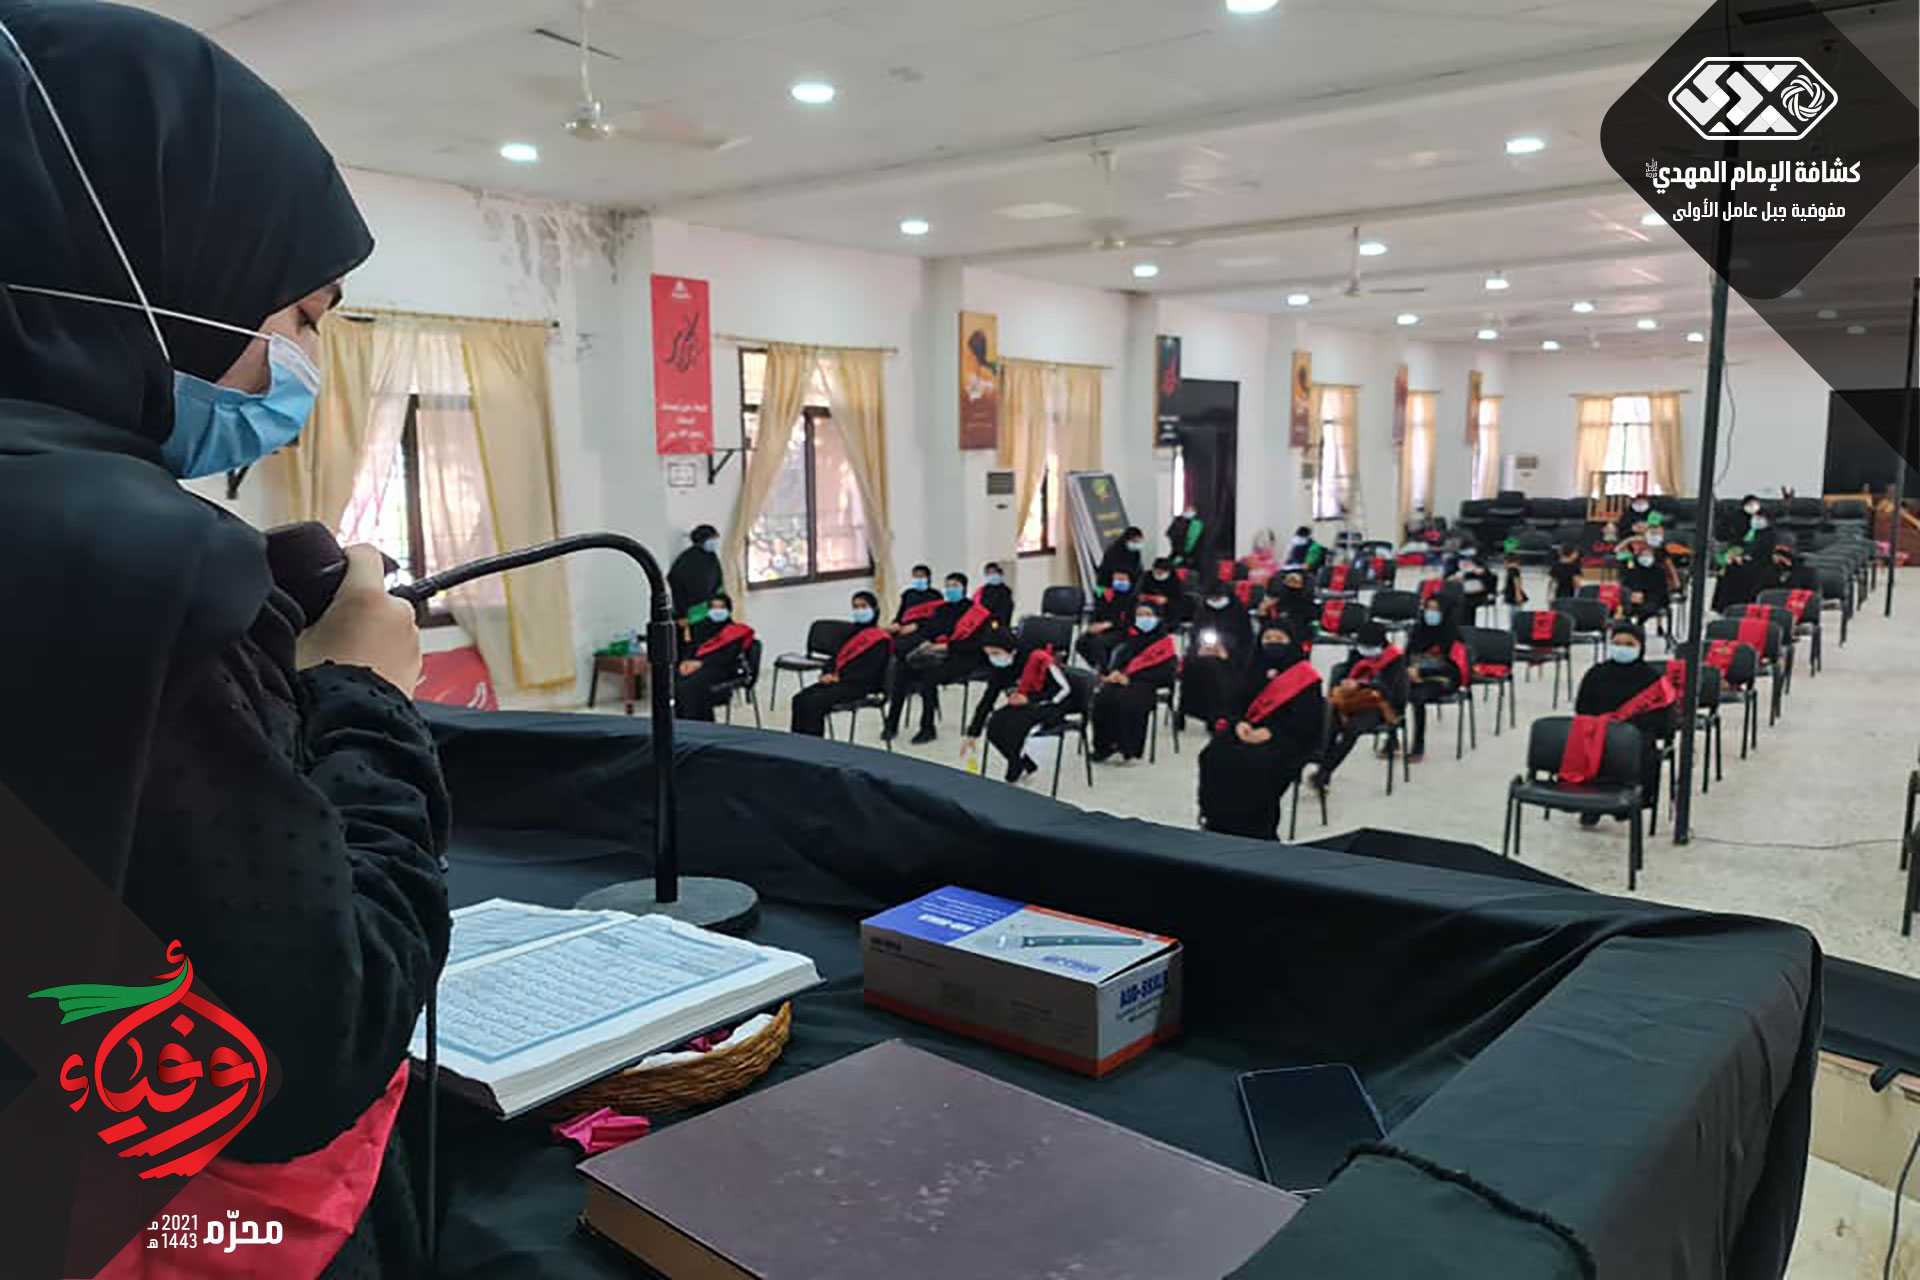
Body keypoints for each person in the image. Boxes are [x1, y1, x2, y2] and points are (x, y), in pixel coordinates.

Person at [0, 6, 444, 1270]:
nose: (302, 362)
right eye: (302, 314)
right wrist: (364, 690)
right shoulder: (143, 571)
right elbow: (309, 1047)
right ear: (164, 273)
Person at [1197, 623, 1324, 840]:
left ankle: (1256, 829)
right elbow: (1233, 704)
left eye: (1279, 639)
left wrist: (1271, 732)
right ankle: (1216, 820)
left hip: (1287, 737)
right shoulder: (1251, 668)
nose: (1273, 643)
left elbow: (1308, 720)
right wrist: (1238, 723)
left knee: (1257, 765)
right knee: (1213, 756)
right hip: (1246, 730)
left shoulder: (1304, 676)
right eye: (1268, 638)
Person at [1567, 621, 1676, 827]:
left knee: (1635, 747)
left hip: (1636, 737)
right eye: (1617, 643)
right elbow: (1582, 708)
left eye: (1629, 644)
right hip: (1598, 734)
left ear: (1640, 647)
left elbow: (1663, 719)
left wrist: (1628, 727)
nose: (1622, 648)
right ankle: (1592, 803)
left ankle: (1628, 800)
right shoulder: (1596, 674)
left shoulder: (1652, 679)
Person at [884, 571, 992, 744]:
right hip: (936, 653)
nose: (950, 589)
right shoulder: (942, 609)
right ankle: (891, 724)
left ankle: (927, 728)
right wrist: (925, 642)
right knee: (901, 669)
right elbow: (930, 630)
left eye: (955, 586)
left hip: (963, 657)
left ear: (964, 588)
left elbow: (978, 643)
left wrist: (948, 647)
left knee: (929, 676)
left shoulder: (977, 613)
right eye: (948, 586)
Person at [963, 632, 1075, 783]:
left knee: (1015, 728)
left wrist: (1030, 698)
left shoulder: (1038, 659)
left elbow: (1064, 690)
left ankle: (1014, 768)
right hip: (1023, 705)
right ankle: (1022, 763)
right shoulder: (1001, 667)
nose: (993, 658)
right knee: (995, 725)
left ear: (1011, 650)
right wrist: (973, 732)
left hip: (1052, 704)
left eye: (995, 653)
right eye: (989, 654)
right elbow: (988, 698)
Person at [1312, 622, 1408, 791]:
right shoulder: (1357, 654)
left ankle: (1325, 771)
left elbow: (1395, 692)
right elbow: (1344, 673)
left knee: (1352, 728)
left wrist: (1363, 685)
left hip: (1379, 706)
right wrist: (1345, 682)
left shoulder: (1394, 660)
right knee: (1330, 723)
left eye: (1370, 647)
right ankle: (1322, 763)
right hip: (1351, 701)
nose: (1365, 650)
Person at [789, 592, 892, 737]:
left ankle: (813, 747)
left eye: (864, 606)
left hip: (860, 685)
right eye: (855, 607)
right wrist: (827, 673)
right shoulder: (851, 632)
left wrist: (840, 677)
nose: (859, 610)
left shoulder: (881, 639)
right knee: (799, 699)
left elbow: (870, 670)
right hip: (839, 681)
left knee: (813, 703)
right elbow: (835, 658)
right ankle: (797, 744)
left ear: (874, 609)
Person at [1089, 599, 1178, 763]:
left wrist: (1131, 678)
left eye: (1148, 615)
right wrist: (1114, 673)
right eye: (1140, 615)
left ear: (1158, 618)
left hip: (1147, 683)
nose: (1143, 619)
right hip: (1124, 679)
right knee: (1103, 697)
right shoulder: (1131, 639)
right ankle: (1104, 747)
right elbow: (1120, 661)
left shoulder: (1164, 644)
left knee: (1127, 700)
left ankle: (1127, 749)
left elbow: (1166, 673)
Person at [1404, 596, 1468, 760]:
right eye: (1428, 609)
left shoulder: (1453, 635)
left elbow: (1454, 669)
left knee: (1417, 696)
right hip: (1415, 675)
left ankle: (1418, 746)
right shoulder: (1418, 630)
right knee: (1394, 690)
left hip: (1443, 679)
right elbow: (1407, 655)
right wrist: (1408, 670)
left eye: (1435, 609)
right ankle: (1392, 740)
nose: (1430, 613)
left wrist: (1422, 673)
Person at [1180, 586, 1254, 728]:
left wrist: (1226, 652)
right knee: (1193, 665)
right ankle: (1188, 710)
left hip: (1233, 657)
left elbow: (1246, 641)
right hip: (1204, 653)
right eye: (1212, 598)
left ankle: (1217, 714)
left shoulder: (1239, 613)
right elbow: (1195, 634)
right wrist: (1200, 649)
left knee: (1218, 671)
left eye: (1218, 598)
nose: (1215, 602)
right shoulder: (1203, 611)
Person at [677, 592, 754, 721]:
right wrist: (685, 662)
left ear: (728, 610)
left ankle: (700, 726)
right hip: (698, 666)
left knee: (689, 686)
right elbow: (692, 648)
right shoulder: (701, 628)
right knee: (675, 681)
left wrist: (700, 664)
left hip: (722, 669)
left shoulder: (734, 631)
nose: (717, 611)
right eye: (714, 607)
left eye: (721, 607)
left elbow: (727, 657)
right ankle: (679, 725)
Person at [1076, 568, 1137, 669]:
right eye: (1116, 579)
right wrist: (1092, 625)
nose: (1119, 582)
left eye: (1122, 579)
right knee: (1081, 642)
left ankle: (1105, 671)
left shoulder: (1134, 598)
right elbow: (1097, 611)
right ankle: (1094, 666)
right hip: (1103, 628)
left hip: (1122, 630)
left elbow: (1130, 621)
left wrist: (1108, 625)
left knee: (1098, 643)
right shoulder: (1106, 595)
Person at [668, 523, 724, 624]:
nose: (715, 542)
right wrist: (683, 612)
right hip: (691, 610)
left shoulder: (711, 556)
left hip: (710, 607)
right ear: (703, 539)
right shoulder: (686, 559)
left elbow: (718, 579)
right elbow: (674, 580)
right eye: (713, 538)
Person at [887, 563, 944, 659]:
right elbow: (901, 614)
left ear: (928, 578)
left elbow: (937, 619)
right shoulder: (908, 594)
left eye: (921, 576)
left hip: (924, 630)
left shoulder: (935, 596)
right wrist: (896, 624)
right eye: (915, 576)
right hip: (904, 628)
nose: (918, 579)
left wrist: (916, 625)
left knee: (903, 645)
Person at [1620, 545, 1672, 626]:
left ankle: (1638, 623)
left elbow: (1662, 591)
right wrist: (1631, 594)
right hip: (1631, 598)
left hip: (1651, 600)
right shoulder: (1632, 566)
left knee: (1648, 608)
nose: (1645, 557)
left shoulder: (1659, 570)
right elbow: (1626, 583)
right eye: (1643, 554)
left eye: (1648, 554)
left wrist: (1644, 596)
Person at [1445, 543, 1497, 623]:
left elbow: (1490, 577)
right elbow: (1447, 578)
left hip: (1479, 596)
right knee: (1462, 617)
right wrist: (1456, 576)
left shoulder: (1478, 561)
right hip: (1461, 595)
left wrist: (1482, 572)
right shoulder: (1453, 561)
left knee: (1476, 617)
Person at [1263, 569, 1317, 640]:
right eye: (1288, 581)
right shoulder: (1274, 603)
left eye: (1295, 582)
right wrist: (1264, 610)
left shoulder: (1308, 605)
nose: (1291, 584)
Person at [1139, 556, 1191, 625]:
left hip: (1166, 611)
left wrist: (1167, 600)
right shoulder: (1146, 576)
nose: (1159, 573)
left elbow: (1179, 600)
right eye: (1157, 571)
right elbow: (1137, 590)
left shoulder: (1174, 581)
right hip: (1146, 606)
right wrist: (1140, 596)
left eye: (1162, 572)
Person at [1166, 504, 1211, 573]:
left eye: (1191, 510)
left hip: (1189, 555)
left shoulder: (1196, 523)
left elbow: (1193, 541)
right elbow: (1170, 534)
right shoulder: (1178, 520)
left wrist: (1184, 553)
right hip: (1179, 552)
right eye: (1187, 510)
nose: (1188, 511)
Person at [976, 561, 1014, 627]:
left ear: (999, 573)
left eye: (993, 572)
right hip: (984, 625)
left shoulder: (1005, 591)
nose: (992, 575)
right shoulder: (983, 590)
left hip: (999, 626)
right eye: (989, 573)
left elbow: (1005, 612)